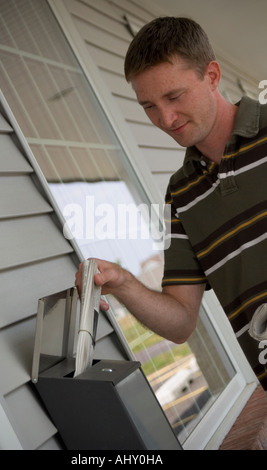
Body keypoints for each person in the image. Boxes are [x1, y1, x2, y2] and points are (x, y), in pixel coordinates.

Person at [76, 17, 267, 391]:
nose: (165, 119)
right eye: (149, 106)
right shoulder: (181, 194)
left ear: (211, 75)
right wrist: (125, 283)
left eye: (174, 97)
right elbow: (181, 323)